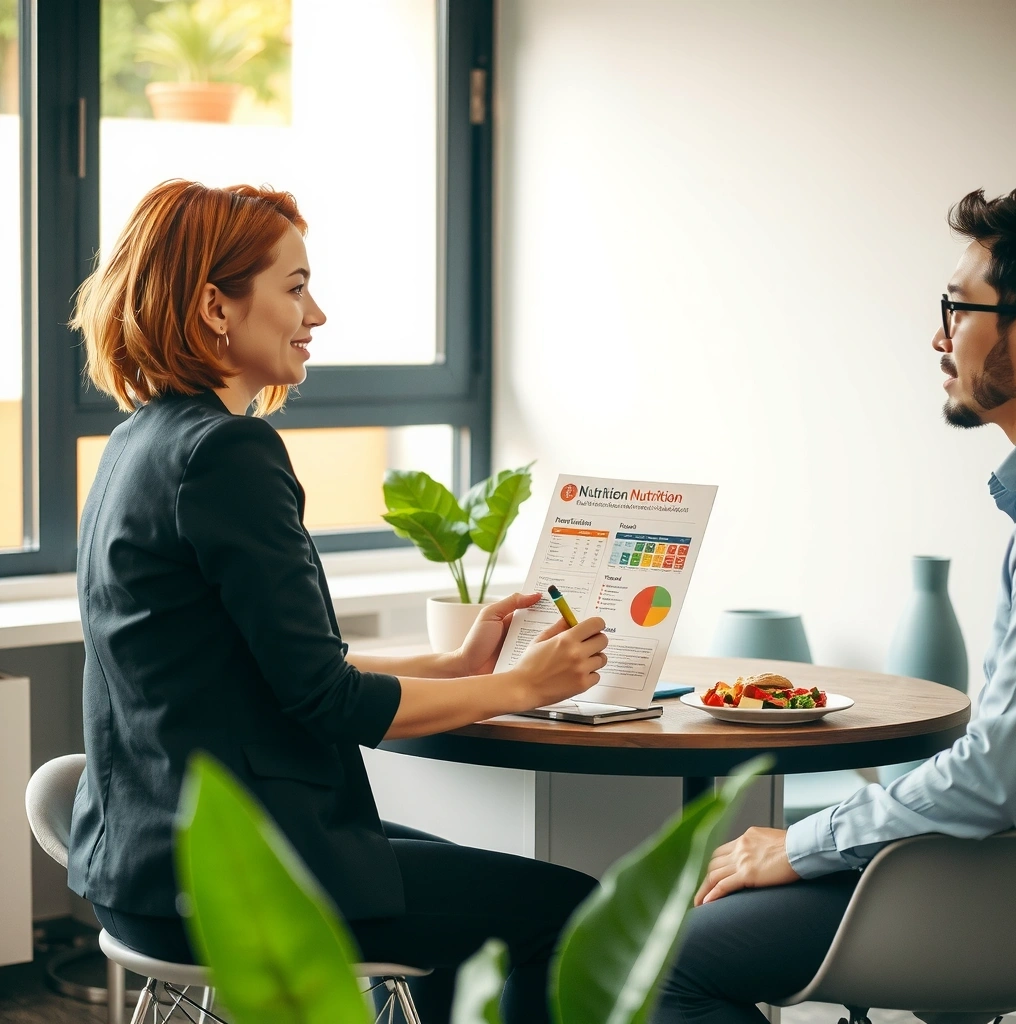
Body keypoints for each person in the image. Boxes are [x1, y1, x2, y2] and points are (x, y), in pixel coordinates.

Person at [66, 179, 609, 1024]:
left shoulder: (139, 441)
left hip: (139, 871)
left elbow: (263, 667)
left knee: (464, 877)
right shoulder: (228, 453)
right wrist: (524, 687)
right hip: (226, 880)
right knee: (575, 909)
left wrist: (453, 663)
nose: (315, 315)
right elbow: (328, 700)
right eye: (294, 287)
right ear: (216, 306)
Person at [653, 184, 1016, 1023]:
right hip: (984, 879)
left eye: (958, 309)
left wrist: (803, 842)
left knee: (650, 963)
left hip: (988, 897)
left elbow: (999, 776)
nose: (938, 335)